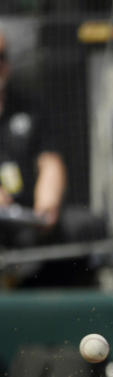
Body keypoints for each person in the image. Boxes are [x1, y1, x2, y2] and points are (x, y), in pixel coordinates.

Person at [0, 29, 66, 240]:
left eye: (1, 57)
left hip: (23, 216)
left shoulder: (29, 108)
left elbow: (49, 161)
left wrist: (47, 202)